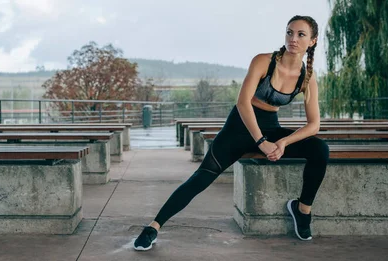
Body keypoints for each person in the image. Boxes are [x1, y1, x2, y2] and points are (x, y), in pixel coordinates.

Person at [133, 15, 330, 251]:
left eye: (301, 34)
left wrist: (284, 142)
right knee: (201, 177)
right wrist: (262, 142)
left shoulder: (307, 77)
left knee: (320, 149)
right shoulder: (263, 61)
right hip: (239, 127)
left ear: (313, 41)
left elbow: (314, 125)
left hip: (270, 126)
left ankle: (302, 210)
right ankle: (154, 226)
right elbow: (243, 103)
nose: (293, 39)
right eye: (289, 32)